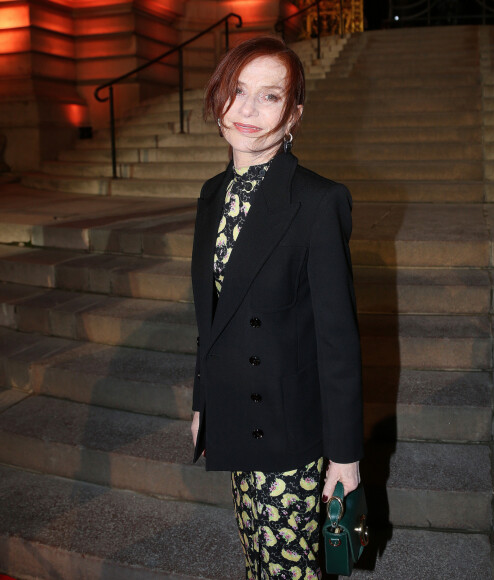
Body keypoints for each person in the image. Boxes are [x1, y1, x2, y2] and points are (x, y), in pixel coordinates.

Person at [190, 36, 363, 580]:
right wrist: (203, 403)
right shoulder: (213, 193)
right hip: (238, 418)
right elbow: (210, 323)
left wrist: (345, 456)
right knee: (255, 559)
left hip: (290, 433)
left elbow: (338, 343)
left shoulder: (317, 201)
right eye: (237, 90)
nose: (246, 109)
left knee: (289, 568)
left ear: (293, 114)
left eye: (270, 97)